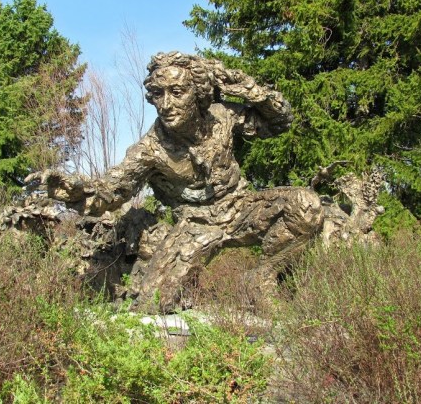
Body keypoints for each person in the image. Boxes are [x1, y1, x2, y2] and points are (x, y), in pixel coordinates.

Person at [43, 52, 324, 311]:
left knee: (304, 205)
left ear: (198, 92)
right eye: (158, 94)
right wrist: (77, 192)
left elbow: (279, 123)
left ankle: (261, 280)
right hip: (194, 227)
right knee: (155, 302)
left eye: (177, 92)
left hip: (241, 209)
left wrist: (248, 88)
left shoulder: (223, 116)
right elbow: (113, 190)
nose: (166, 105)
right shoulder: (149, 150)